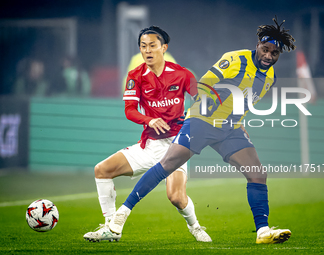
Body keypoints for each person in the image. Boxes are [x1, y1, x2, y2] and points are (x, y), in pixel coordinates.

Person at [110, 17, 296, 244]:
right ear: (257, 44)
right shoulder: (235, 59)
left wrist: (239, 122)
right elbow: (205, 83)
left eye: (274, 53)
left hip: (230, 129)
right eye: (265, 49)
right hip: (203, 121)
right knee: (168, 165)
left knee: (257, 174)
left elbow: (244, 101)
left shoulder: (270, 77)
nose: (268, 56)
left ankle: (263, 231)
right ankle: (122, 213)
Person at [83, 26, 212, 242]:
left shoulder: (182, 74)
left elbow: (203, 100)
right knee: (102, 170)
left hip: (176, 145)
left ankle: (196, 227)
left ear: (164, 47)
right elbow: (130, 110)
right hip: (150, 143)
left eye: (152, 46)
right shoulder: (135, 76)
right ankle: (109, 227)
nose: (148, 51)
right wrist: (149, 119)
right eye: (143, 47)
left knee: (176, 197)